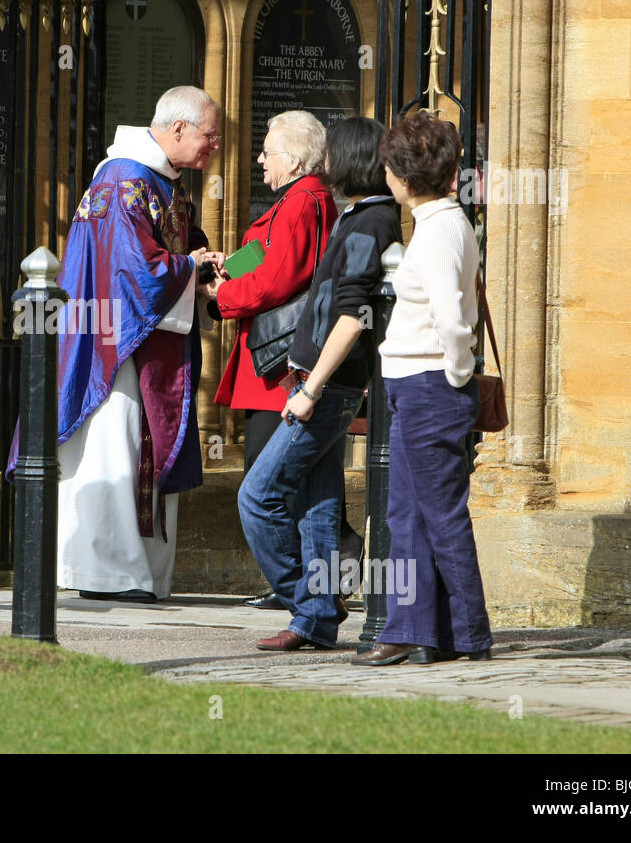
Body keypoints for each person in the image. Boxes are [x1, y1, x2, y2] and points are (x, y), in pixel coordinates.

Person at [51, 85, 222, 603]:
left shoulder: (167, 183)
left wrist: (205, 261)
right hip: (115, 342)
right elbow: (131, 267)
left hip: (150, 335)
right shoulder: (123, 179)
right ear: (177, 129)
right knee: (115, 445)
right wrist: (190, 267)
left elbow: (177, 245)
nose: (214, 147)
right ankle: (107, 571)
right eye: (209, 136)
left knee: (140, 447)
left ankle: (137, 572)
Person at [238, 116, 402, 651]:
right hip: (316, 381)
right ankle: (315, 623)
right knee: (318, 508)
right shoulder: (356, 215)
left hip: (325, 389)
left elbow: (353, 314)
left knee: (258, 497)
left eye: (333, 151)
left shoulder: (371, 222)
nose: (324, 160)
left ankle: (311, 603)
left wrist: (310, 391)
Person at [353, 111, 494, 665]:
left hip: (431, 385)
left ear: (400, 176)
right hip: (419, 385)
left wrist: (457, 374)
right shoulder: (440, 222)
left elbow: (452, 321)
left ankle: (469, 633)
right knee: (407, 515)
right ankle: (416, 630)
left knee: (440, 514)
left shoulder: (438, 231)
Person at [204, 110, 338, 609]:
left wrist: (224, 297)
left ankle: (300, 586)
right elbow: (266, 253)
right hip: (270, 361)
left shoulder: (303, 200)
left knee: (269, 476)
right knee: (288, 475)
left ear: (296, 159)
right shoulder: (297, 199)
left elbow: (280, 277)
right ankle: (311, 579)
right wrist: (228, 266)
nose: (259, 160)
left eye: (267, 151)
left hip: (277, 367)